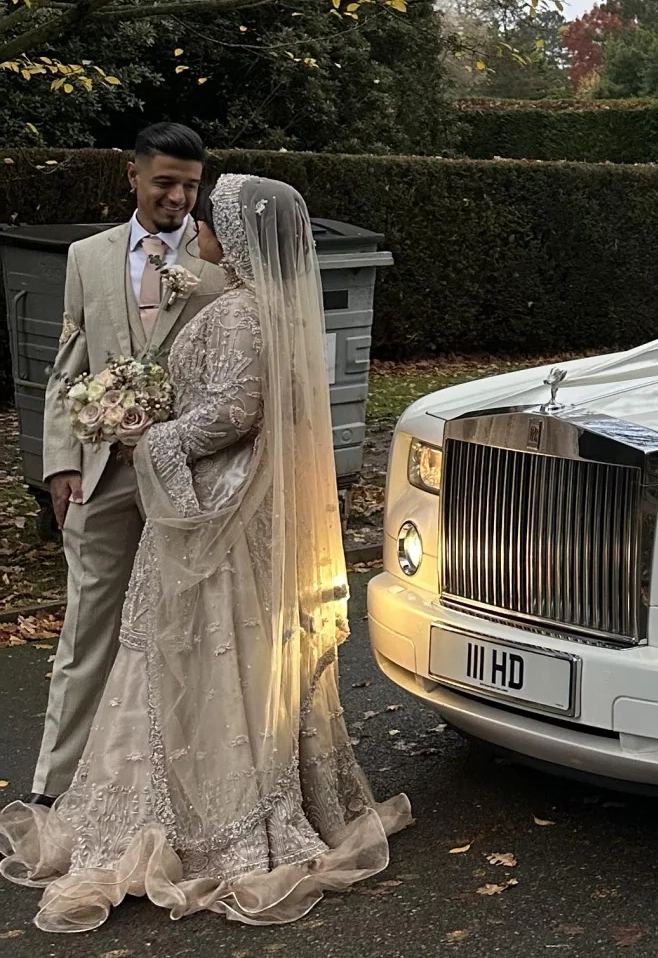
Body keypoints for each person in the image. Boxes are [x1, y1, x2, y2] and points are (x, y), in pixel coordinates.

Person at [0, 173, 411, 932]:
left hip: (213, 511)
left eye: (214, 216)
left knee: (194, 652)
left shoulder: (240, 315)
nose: (203, 225)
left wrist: (151, 438)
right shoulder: (264, 310)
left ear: (238, 236)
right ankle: (218, 793)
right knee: (214, 654)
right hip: (225, 508)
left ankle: (196, 813)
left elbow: (234, 409)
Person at [26, 122, 224, 809]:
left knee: (185, 627)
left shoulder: (218, 264)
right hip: (101, 474)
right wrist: (59, 465)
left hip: (186, 477)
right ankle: (55, 785)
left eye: (190, 187)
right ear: (132, 175)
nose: (177, 198)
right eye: (165, 182)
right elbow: (66, 369)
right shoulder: (88, 256)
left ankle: (170, 786)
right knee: (88, 626)